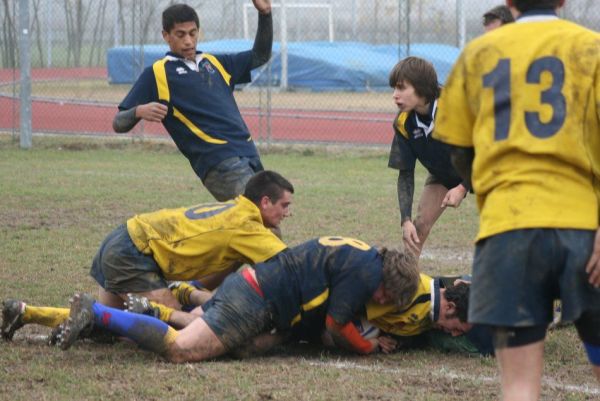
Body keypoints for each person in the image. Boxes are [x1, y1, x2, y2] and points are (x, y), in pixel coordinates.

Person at [433, 0, 600, 399]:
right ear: (563, 1)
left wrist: (490, 190)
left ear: (509, 2)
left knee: (520, 386)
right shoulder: (592, 48)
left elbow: (457, 147)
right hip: (583, 230)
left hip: (508, 231)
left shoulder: (478, 53)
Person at [1, 170, 293, 341]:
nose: (286, 213)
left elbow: (207, 279)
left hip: (123, 240)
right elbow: (295, 267)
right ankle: (97, 312)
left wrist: (195, 289)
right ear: (264, 202)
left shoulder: (236, 210)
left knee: (108, 324)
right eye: (283, 205)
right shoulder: (247, 227)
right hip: (134, 252)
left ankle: (26, 312)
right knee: (178, 328)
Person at [57, 237, 421, 363]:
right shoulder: (366, 274)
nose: (380, 301)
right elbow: (336, 327)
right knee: (182, 350)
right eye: (387, 298)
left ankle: (153, 310)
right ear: (388, 284)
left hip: (256, 289)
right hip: (257, 299)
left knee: (246, 348)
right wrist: (370, 347)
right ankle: (99, 314)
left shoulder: (366, 257)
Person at [112, 2, 273, 202]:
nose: (188, 41)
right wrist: (137, 111)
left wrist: (265, 14)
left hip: (248, 151)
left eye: (192, 33)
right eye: (180, 35)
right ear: (166, 36)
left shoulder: (215, 63)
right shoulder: (157, 73)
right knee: (257, 214)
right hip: (218, 161)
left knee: (264, 219)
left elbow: (260, 55)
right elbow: (118, 123)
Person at [387, 57, 469, 257]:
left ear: (421, 88)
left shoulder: (455, 107)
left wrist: (463, 187)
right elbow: (405, 174)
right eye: (394, 89)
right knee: (418, 228)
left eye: (401, 88)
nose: (394, 96)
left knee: (504, 230)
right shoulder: (403, 123)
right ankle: (409, 285)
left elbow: (485, 152)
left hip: (486, 171)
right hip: (443, 175)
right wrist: (405, 220)